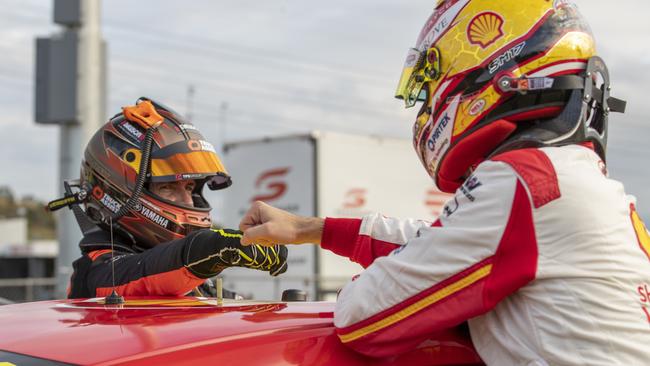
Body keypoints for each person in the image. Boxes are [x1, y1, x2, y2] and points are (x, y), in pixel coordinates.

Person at [239, 1, 650, 364]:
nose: (429, 105)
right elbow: (441, 244)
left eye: (432, 85)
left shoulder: (525, 179)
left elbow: (362, 319)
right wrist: (309, 230)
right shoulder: (566, 177)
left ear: (487, 70)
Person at [48, 97, 287, 299]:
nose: (188, 201)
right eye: (169, 187)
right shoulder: (95, 272)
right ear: (118, 191)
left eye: (190, 186)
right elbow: (147, 274)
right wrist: (216, 246)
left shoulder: (197, 282)